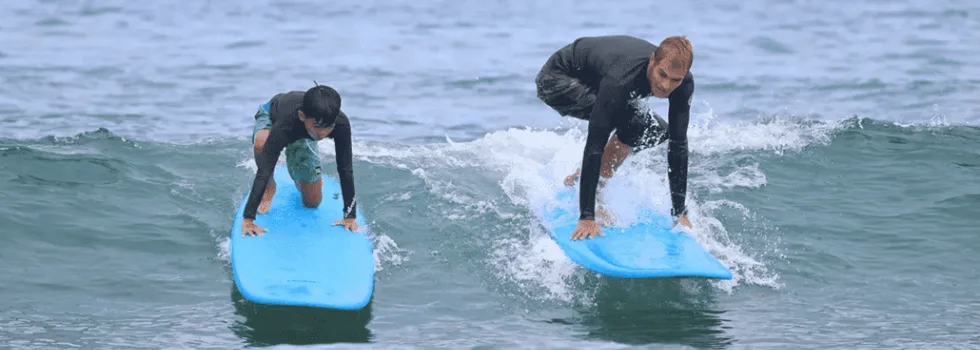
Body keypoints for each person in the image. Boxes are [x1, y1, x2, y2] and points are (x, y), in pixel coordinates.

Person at [535, 35, 695, 240]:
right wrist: (587, 217)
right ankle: (595, 192)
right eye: (662, 74)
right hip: (558, 80)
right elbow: (595, 143)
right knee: (634, 122)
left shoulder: (683, 83)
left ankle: (585, 178)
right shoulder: (621, 77)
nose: (666, 86)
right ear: (652, 60)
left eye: (675, 80)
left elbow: (679, 144)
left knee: (657, 131)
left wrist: (679, 212)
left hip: (595, 78)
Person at [240, 83, 359, 236]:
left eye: (328, 127)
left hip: (304, 133)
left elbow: (345, 168)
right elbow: (265, 167)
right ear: (302, 116)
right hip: (274, 117)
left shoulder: (339, 123)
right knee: (262, 143)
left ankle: (303, 180)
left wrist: (350, 216)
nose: (323, 133)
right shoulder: (286, 125)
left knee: (312, 203)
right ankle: (270, 187)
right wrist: (248, 219)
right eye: (318, 126)